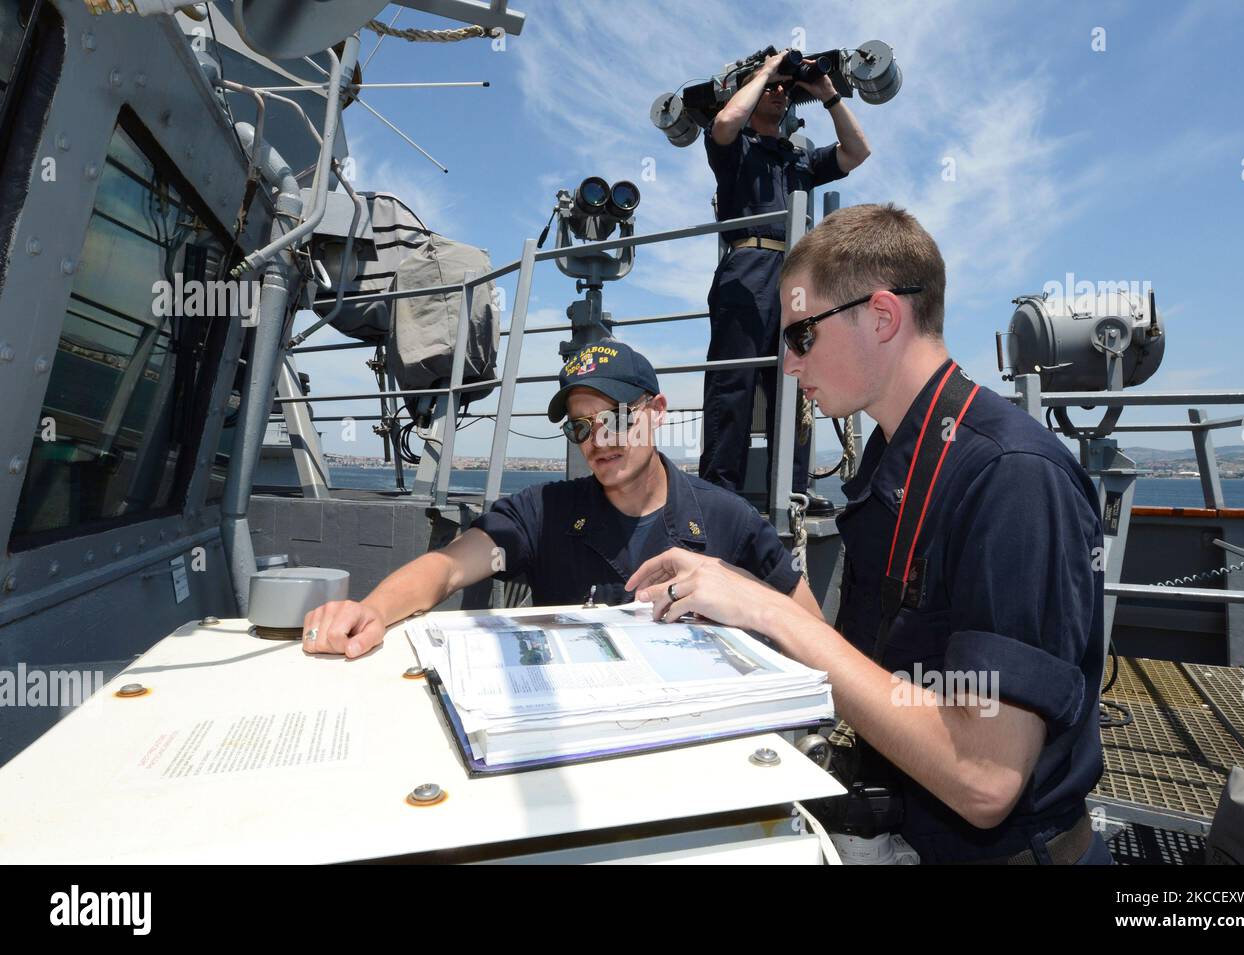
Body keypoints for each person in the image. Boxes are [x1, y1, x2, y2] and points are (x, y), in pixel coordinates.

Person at [627, 204, 1111, 864]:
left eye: (801, 337)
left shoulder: (1010, 477)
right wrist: (737, 592)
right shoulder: (897, 458)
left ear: (882, 316)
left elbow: (983, 776)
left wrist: (773, 611)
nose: (790, 367)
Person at [302, 340, 820, 658]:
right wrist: (372, 609)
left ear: (657, 411)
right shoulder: (545, 512)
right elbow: (449, 569)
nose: (598, 440)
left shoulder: (726, 519)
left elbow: (809, 626)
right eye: (581, 427)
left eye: (616, 418)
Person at [699, 48, 870, 513]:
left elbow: (858, 151)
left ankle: (791, 488)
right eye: (771, 88)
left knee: (795, 382)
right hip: (747, 269)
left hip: (795, 277)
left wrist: (826, 93)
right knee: (733, 382)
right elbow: (722, 124)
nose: (779, 92)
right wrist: (766, 71)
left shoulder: (797, 160)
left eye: (783, 89)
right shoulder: (736, 149)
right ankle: (719, 493)